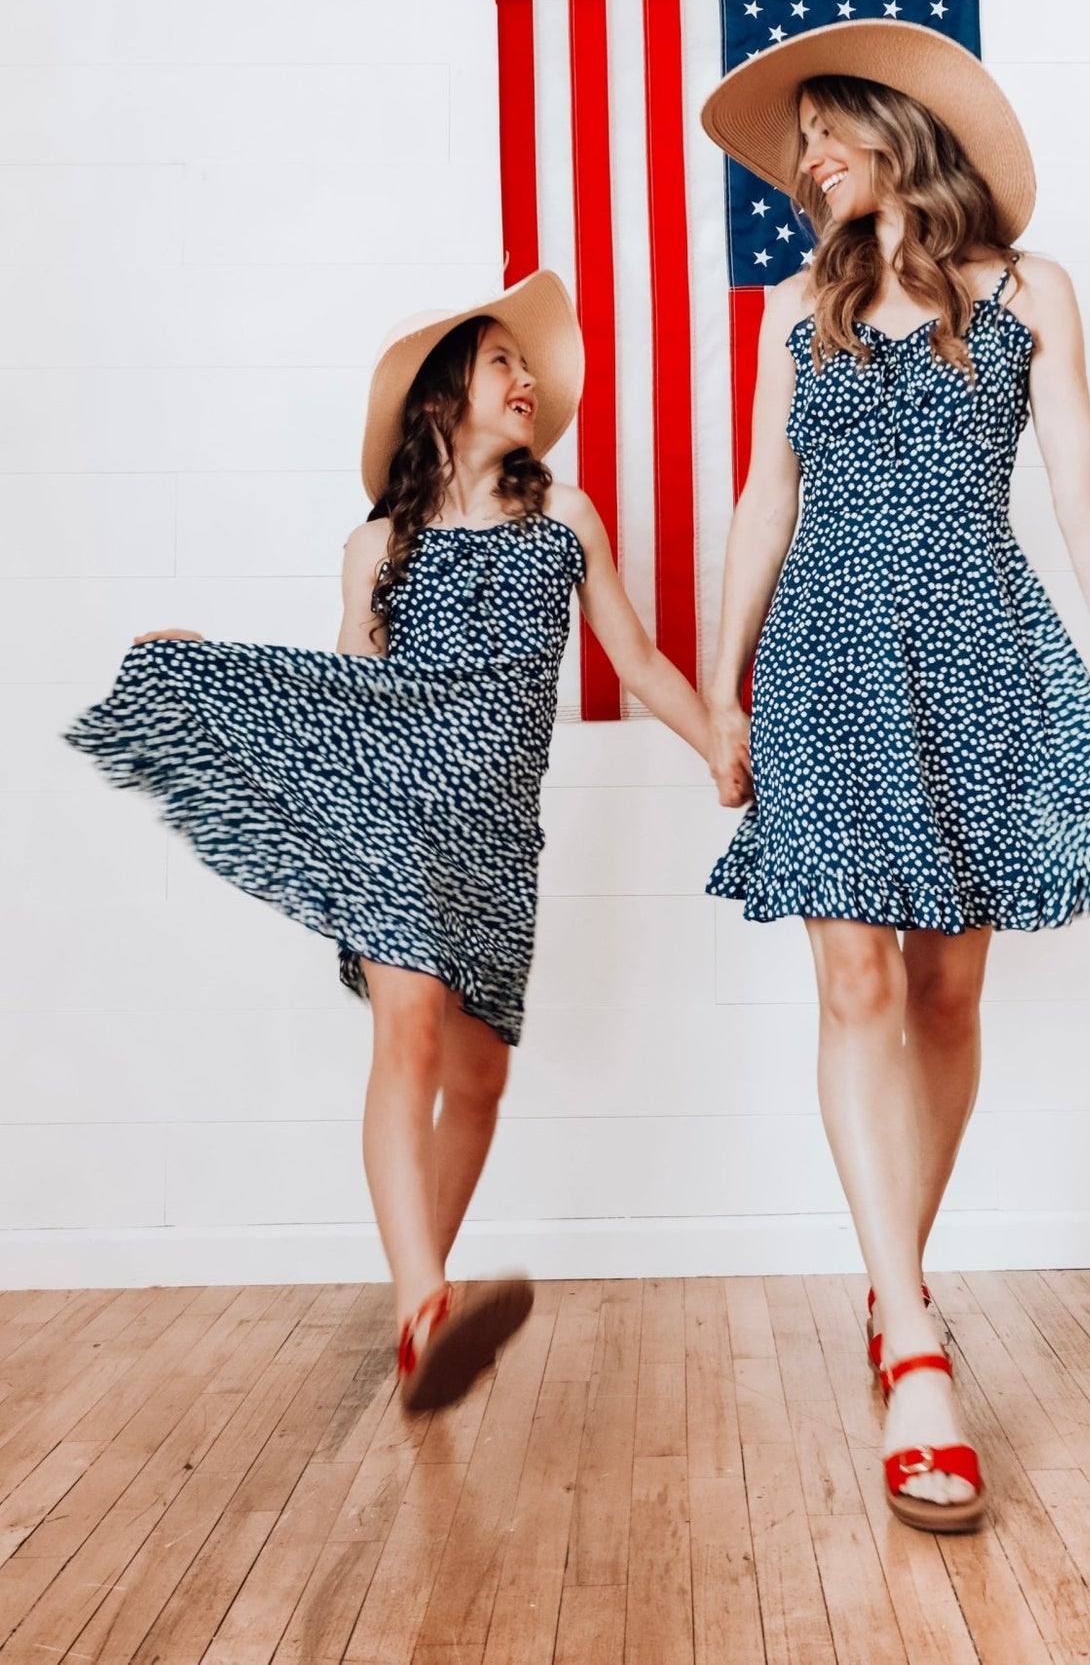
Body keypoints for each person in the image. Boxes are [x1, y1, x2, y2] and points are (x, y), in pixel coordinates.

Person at [66, 270, 712, 1413]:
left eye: (524, 362)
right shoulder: (378, 546)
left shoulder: (565, 520)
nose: (523, 379)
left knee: (478, 1076)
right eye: (499, 360)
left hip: (498, 831)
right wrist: (210, 664)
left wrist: (724, 741)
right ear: (437, 400)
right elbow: (348, 693)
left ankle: (425, 1322)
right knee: (406, 1034)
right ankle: (423, 1301)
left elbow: (643, 661)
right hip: (394, 816)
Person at [700, 20, 1090, 1532]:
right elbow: (763, 495)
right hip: (831, 654)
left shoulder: (1033, 293)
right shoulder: (796, 308)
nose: (803, 161)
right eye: (794, 151)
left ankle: (888, 1274)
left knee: (944, 990)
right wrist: (721, 685)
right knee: (851, 981)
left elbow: (1084, 486)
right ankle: (913, 1336)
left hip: (981, 649)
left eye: (823, 129)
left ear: (901, 123)